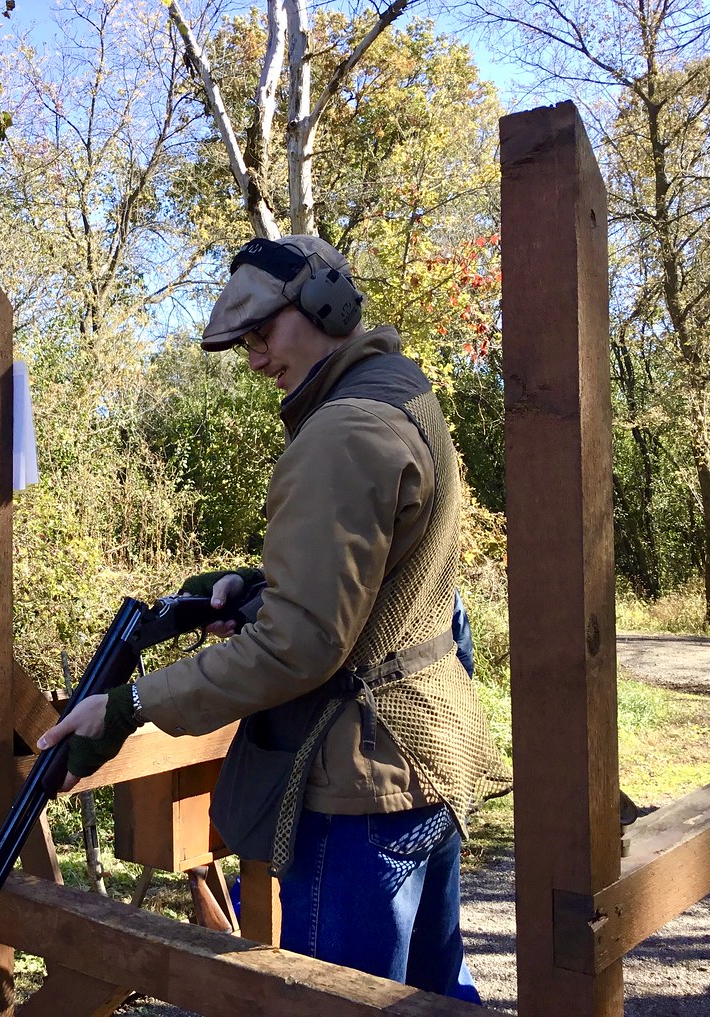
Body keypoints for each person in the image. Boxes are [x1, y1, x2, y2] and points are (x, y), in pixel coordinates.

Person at [38, 235, 510, 1002]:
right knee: (438, 996)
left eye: (263, 332)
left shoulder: (343, 433)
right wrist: (257, 587)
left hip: (361, 782)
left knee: (337, 1003)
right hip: (429, 755)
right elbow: (377, 580)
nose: (256, 357)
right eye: (246, 341)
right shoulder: (402, 390)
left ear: (324, 305)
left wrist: (129, 705)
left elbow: (299, 645)